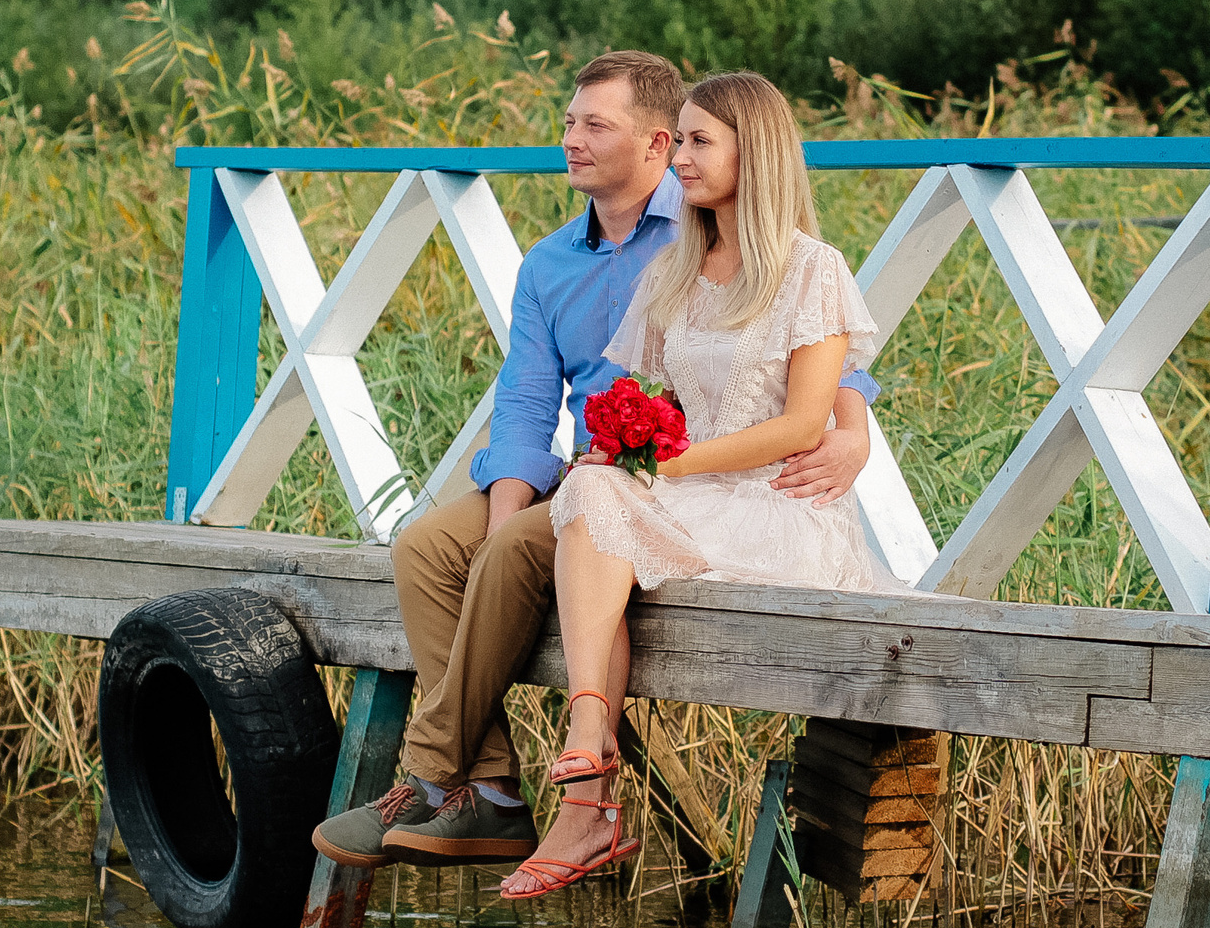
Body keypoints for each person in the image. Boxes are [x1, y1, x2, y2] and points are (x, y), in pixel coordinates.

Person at [310, 51, 882, 870]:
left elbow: (812, 356)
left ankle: (433, 775)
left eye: (594, 125)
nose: (570, 139)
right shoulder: (559, 263)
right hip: (599, 468)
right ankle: (491, 788)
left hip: (667, 478)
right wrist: (507, 508)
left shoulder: (712, 227)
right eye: (569, 122)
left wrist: (853, 431)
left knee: (526, 543)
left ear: (654, 144)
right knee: (428, 547)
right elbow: (524, 401)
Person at [499, 71, 913, 900]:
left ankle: (587, 790)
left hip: (776, 504)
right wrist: (624, 450)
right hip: (689, 498)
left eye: (698, 141)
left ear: (753, 152)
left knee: (602, 504)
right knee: (589, 490)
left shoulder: (811, 268)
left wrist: (664, 465)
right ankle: (590, 735)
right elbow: (646, 398)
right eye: (679, 138)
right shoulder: (677, 268)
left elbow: (802, 424)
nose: (680, 158)